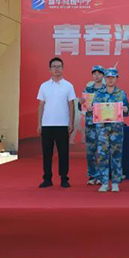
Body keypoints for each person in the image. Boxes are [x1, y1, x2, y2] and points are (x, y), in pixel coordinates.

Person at [37, 57, 76, 189]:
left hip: (63, 124)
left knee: (63, 153)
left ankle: (64, 178)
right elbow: (41, 105)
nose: (57, 69)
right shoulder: (44, 86)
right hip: (47, 125)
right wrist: (39, 124)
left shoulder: (68, 86)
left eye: (59, 66)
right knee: (47, 154)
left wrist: (71, 122)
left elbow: (71, 105)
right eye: (54, 66)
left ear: (63, 69)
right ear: (50, 69)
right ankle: (47, 178)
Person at [93, 68, 129, 192]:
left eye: (112, 77)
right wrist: (92, 109)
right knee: (102, 155)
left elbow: (127, 111)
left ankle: (115, 182)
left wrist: (125, 109)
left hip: (116, 129)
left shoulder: (121, 94)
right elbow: (94, 110)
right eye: (108, 77)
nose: (110, 80)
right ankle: (104, 182)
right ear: (105, 79)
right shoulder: (99, 94)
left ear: (116, 79)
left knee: (116, 155)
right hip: (102, 129)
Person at [82, 65, 105, 186]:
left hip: (103, 124)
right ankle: (92, 175)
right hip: (90, 124)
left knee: (102, 151)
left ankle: (102, 175)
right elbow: (82, 107)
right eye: (94, 73)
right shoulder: (88, 90)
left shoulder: (107, 90)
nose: (97, 76)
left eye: (99, 74)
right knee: (90, 151)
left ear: (103, 76)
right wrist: (81, 103)